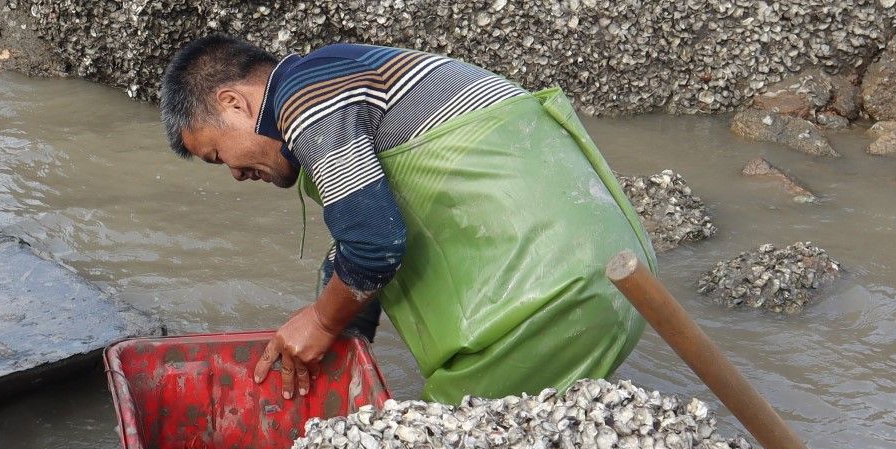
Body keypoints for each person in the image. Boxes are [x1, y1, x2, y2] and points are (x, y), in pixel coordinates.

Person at [160, 36, 653, 405]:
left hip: (550, 299)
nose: (235, 174)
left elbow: (375, 244)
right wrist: (344, 338)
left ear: (233, 102)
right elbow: (358, 243)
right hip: (614, 281)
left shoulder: (305, 95)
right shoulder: (343, 77)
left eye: (217, 154)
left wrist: (319, 320)